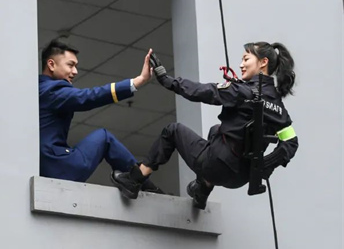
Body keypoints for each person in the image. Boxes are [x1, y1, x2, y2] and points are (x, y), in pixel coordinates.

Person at [111, 41, 299, 208]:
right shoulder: (278, 107)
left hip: (217, 164)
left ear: (263, 62)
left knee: (172, 131)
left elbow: (204, 91)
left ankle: (134, 180)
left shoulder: (243, 91)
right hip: (241, 176)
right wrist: (265, 167)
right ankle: (202, 190)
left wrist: (168, 81)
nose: (241, 64)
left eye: (246, 59)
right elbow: (291, 141)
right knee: (215, 130)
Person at [39, 39, 162, 193]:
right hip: (58, 167)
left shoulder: (37, 88)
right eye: (70, 65)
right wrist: (138, 81)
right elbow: (89, 97)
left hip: (44, 168)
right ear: (51, 64)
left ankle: (140, 181)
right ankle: (144, 183)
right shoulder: (52, 90)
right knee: (104, 138)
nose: (75, 71)